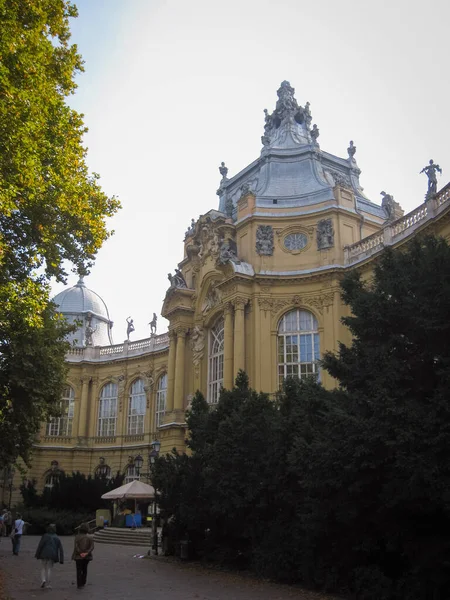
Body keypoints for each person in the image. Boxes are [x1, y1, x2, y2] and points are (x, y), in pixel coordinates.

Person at [35, 524, 64, 589]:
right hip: (52, 555)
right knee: (49, 568)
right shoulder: (56, 537)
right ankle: (48, 583)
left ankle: (43, 580)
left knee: (43, 567)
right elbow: (61, 549)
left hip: (44, 554)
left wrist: (37, 554)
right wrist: (61, 559)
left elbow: (40, 545)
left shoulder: (45, 536)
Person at [72, 523, 94, 589]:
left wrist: (80, 552)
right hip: (87, 556)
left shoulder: (77, 537)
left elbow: (76, 546)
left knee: (78, 570)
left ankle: (79, 584)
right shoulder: (90, 537)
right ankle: (83, 581)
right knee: (85, 569)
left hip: (78, 556)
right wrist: (86, 553)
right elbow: (92, 547)